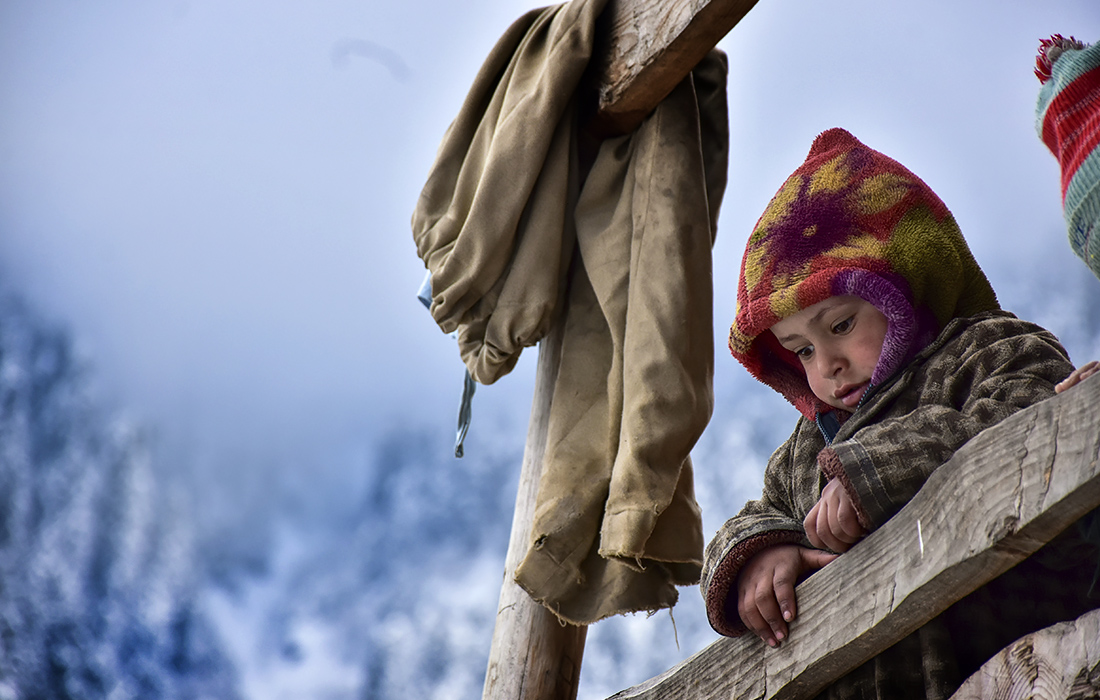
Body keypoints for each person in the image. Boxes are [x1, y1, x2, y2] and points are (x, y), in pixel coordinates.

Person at [700, 127, 1099, 698]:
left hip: (1028, 671)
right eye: (801, 351)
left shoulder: (985, 352)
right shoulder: (803, 456)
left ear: (906, 287)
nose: (827, 364)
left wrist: (873, 469)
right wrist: (760, 555)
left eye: (841, 325)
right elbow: (755, 517)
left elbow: (1032, 411)